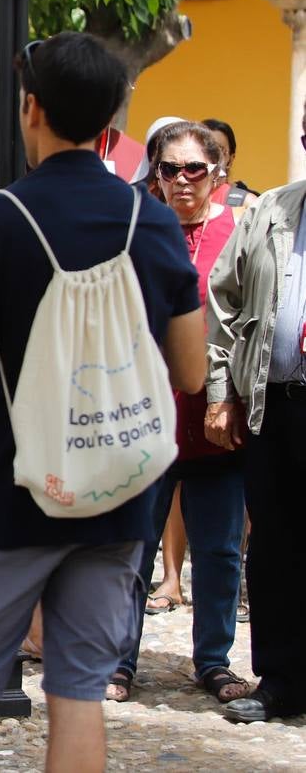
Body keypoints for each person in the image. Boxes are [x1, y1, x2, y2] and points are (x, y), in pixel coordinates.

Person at [0, 32, 205, 773]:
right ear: (112, 117)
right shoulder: (155, 220)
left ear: (30, 108)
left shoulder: (0, 219)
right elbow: (193, 372)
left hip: (13, 488)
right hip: (117, 487)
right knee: (78, 692)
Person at [105, 121, 251, 706]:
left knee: (218, 550)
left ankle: (213, 661)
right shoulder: (136, 230)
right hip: (146, 415)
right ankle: (119, 662)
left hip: (218, 417)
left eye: (197, 168)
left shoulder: (242, 232)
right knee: (133, 545)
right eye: (171, 168)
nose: (184, 180)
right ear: (156, 177)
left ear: (219, 172)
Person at [204, 96, 306, 724]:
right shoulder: (272, 210)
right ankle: (281, 678)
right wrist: (222, 391)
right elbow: (223, 297)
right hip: (280, 403)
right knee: (275, 545)